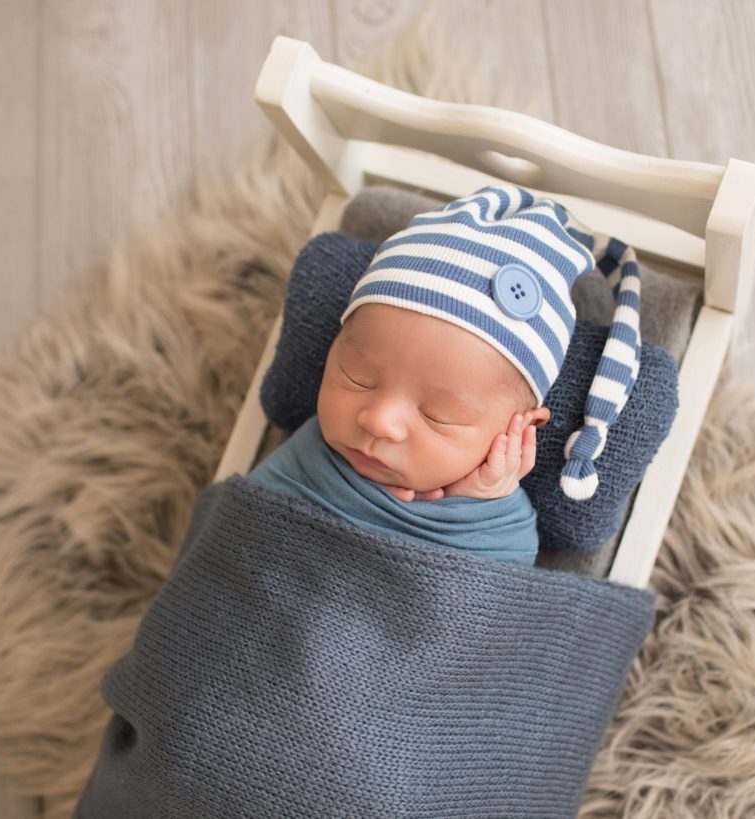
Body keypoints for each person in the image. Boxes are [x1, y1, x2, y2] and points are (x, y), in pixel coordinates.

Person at [249, 183, 642, 566]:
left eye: (437, 414)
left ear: (518, 432)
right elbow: (248, 526)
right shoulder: (309, 457)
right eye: (356, 377)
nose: (378, 420)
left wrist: (477, 505)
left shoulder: (497, 519)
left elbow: (492, 592)